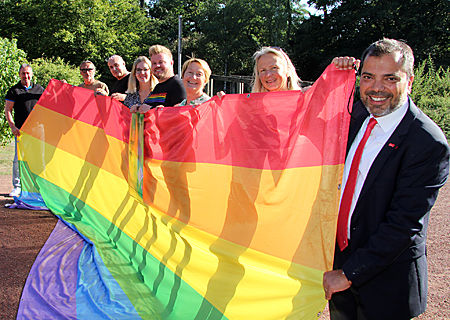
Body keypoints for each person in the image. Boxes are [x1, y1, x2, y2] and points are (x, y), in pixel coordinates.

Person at [322, 38, 449, 320]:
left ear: (410, 81)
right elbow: (300, 120)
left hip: (386, 285)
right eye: (368, 77)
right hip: (340, 271)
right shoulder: (354, 115)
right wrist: (334, 76)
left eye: (390, 78)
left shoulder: (427, 142)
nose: (377, 88)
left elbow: (404, 224)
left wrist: (349, 273)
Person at [4, 64, 45, 197]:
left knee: (38, 158)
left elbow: (48, 105)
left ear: (32, 74)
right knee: (18, 159)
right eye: (23, 73)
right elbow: (8, 110)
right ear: (19, 74)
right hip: (21, 131)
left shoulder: (40, 89)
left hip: (37, 130)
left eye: (28, 73)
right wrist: (12, 126)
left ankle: (37, 186)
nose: (26, 76)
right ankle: (17, 186)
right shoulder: (13, 90)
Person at [131, 45, 186, 114]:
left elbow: (181, 115)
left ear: (171, 63)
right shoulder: (158, 87)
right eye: (154, 63)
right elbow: (149, 107)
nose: (157, 66)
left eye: (161, 62)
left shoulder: (178, 85)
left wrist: (151, 110)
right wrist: (138, 108)